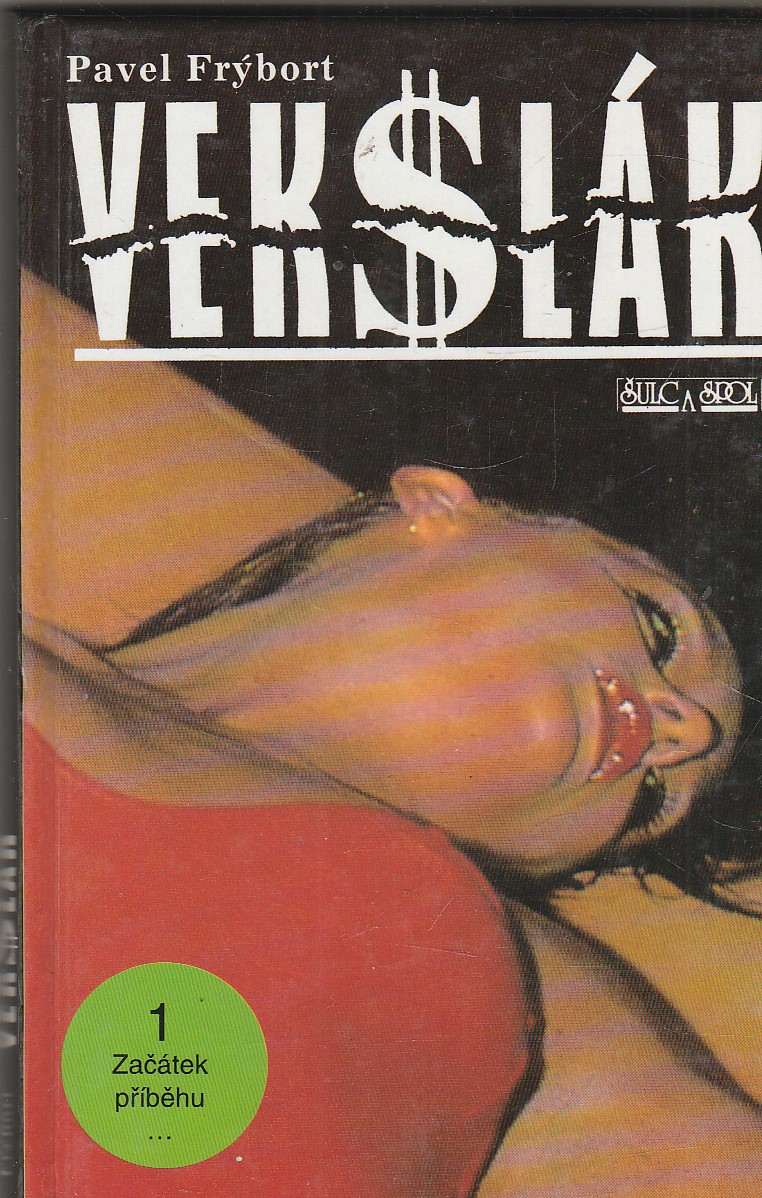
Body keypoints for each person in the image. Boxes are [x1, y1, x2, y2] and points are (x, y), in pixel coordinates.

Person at [22, 271, 762, 1195]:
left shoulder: (528, 993)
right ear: (438, 503)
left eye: (652, 803)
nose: (683, 730)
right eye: (658, 628)